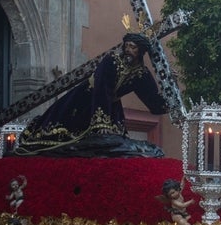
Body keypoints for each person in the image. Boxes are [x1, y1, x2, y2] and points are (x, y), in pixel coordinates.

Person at [17, 33, 168, 156]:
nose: (128, 49)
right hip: (86, 98)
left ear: (141, 51)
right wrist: (101, 124)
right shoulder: (112, 60)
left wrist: (168, 94)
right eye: (127, 45)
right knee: (61, 129)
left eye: (133, 47)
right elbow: (102, 88)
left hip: (112, 108)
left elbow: (153, 101)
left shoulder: (141, 74)